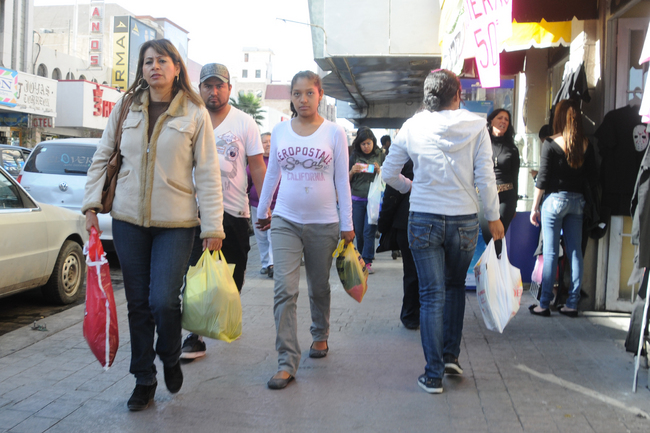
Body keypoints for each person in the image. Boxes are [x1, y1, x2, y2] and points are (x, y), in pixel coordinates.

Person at [82, 39, 224, 411]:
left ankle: (170, 355)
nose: (154, 67)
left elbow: (208, 173)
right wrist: (90, 205)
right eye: (148, 61)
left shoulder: (194, 112)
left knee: (163, 299)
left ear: (177, 67)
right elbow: (103, 156)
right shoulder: (127, 105)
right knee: (139, 304)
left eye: (162, 60)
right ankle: (143, 379)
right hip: (128, 221)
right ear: (141, 68)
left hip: (176, 224)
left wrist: (213, 227)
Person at [382, 69, 504, 394]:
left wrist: (410, 186)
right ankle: (451, 356)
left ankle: (433, 374)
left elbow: (388, 172)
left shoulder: (412, 126)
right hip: (464, 220)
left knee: (430, 294)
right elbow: (485, 178)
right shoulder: (477, 125)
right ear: (458, 94)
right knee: (453, 288)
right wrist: (493, 217)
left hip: (423, 217)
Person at [256, 71, 354, 390]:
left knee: (318, 286)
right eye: (297, 94)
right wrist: (263, 210)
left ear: (320, 94)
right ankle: (286, 361)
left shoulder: (334, 132)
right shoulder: (281, 130)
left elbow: (342, 180)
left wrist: (347, 225)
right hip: (285, 219)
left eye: (309, 93)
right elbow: (272, 174)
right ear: (292, 97)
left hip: (324, 222)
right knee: (285, 288)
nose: (303, 99)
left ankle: (320, 334)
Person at [180, 63, 267, 360]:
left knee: (234, 274)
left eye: (219, 86)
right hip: (195, 212)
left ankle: (226, 312)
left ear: (230, 88)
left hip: (234, 212)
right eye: (208, 86)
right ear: (199, 88)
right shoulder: (190, 118)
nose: (213, 91)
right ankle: (196, 335)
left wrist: (265, 206)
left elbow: (257, 166)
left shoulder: (244, 123)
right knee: (197, 273)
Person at [529, 99, 596, 317]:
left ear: (557, 118)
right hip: (578, 203)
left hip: (554, 201)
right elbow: (592, 178)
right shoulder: (586, 144)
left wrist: (534, 207)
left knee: (550, 252)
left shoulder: (551, 143)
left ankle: (544, 303)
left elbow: (543, 179)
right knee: (575, 252)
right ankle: (572, 303)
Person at [377, 160, 419, 329]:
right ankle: (432, 315)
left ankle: (411, 316)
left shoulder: (405, 160)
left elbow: (391, 196)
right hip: (432, 219)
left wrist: (383, 225)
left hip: (407, 222)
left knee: (412, 273)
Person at [478, 108, 520, 256]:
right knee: (488, 235)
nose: (503, 121)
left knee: (498, 236)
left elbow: (515, 176)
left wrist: (515, 202)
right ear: (491, 121)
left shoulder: (512, 149)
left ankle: (496, 274)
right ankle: (491, 272)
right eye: (500, 118)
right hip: (484, 196)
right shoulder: (481, 144)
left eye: (506, 119)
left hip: (506, 197)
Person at [349, 127, 385, 273]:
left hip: (373, 199)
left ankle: (367, 261)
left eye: (368, 143)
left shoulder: (380, 155)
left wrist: (379, 170)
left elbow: (387, 177)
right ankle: (361, 258)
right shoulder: (354, 155)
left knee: (368, 231)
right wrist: (352, 171)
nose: (366, 147)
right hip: (357, 198)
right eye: (363, 144)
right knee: (358, 231)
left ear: (373, 142)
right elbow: (345, 178)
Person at [248, 132, 278, 278]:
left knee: (273, 235)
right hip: (256, 204)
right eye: (264, 142)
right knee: (260, 236)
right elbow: (247, 182)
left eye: (270, 142)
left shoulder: (278, 159)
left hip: (276, 205)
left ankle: (273, 263)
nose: (267, 145)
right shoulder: (255, 161)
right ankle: (265, 263)